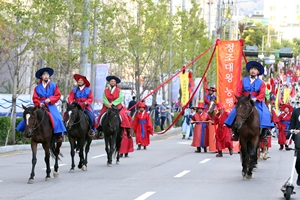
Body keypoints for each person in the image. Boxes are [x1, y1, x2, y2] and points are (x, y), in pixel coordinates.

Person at [224, 61, 274, 141]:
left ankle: (264, 132)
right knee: (235, 112)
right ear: (249, 70)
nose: (253, 71)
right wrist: (240, 99)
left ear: (258, 72)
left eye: (255, 69)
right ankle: (234, 132)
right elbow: (238, 91)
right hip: (243, 100)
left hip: (256, 101)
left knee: (265, 113)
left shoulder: (261, 83)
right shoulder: (243, 81)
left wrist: (256, 98)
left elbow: (262, 93)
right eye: (251, 69)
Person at [16, 67, 66, 142]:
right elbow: (35, 98)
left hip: (50, 104)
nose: (46, 76)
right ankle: (26, 131)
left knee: (57, 117)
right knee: (30, 115)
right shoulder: (37, 87)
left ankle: (58, 134)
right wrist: (39, 104)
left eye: (47, 74)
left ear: (49, 76)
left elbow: (57, 95)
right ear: (41, 77)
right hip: (40, 104)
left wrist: (50, 99)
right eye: (44, 75)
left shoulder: (54, 85)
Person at [288, 106, 300, 186]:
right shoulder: (296, 111)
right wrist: (288, 137)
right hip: (298, 139)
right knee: (298, 160)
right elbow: (292, 124)